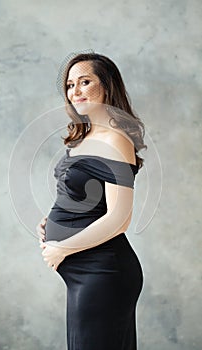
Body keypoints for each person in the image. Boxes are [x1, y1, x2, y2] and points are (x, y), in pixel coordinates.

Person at [36, 52, 147, 350]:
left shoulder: (116, 139)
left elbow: (120, 218)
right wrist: (52, 223)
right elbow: (81, 197)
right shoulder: (84, 136)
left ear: (107, 86)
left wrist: (63, 246)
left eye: (85, 82)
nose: (76, 91)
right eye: (71, 85)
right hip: (85, 272)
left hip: (103, 272)